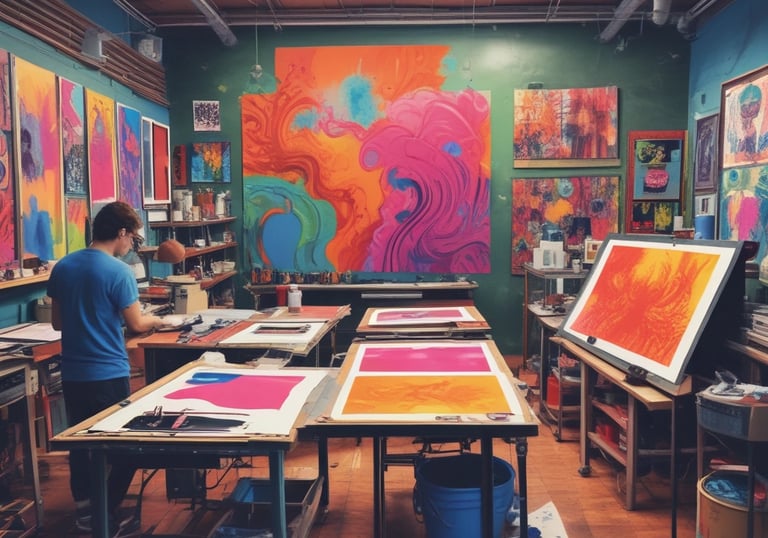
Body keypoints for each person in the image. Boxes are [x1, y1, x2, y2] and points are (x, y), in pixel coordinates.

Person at [47, 201, 170, 534]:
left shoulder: (64, 266)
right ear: (121, 232)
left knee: (80, 444)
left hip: (74, 373)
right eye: (133, 238)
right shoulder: (119, 272)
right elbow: (137, 324)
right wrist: (157, 321)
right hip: (108, 373)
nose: (132, 244)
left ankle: (85, 513)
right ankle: (107, 510)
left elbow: (58, 323)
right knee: (124, 445)